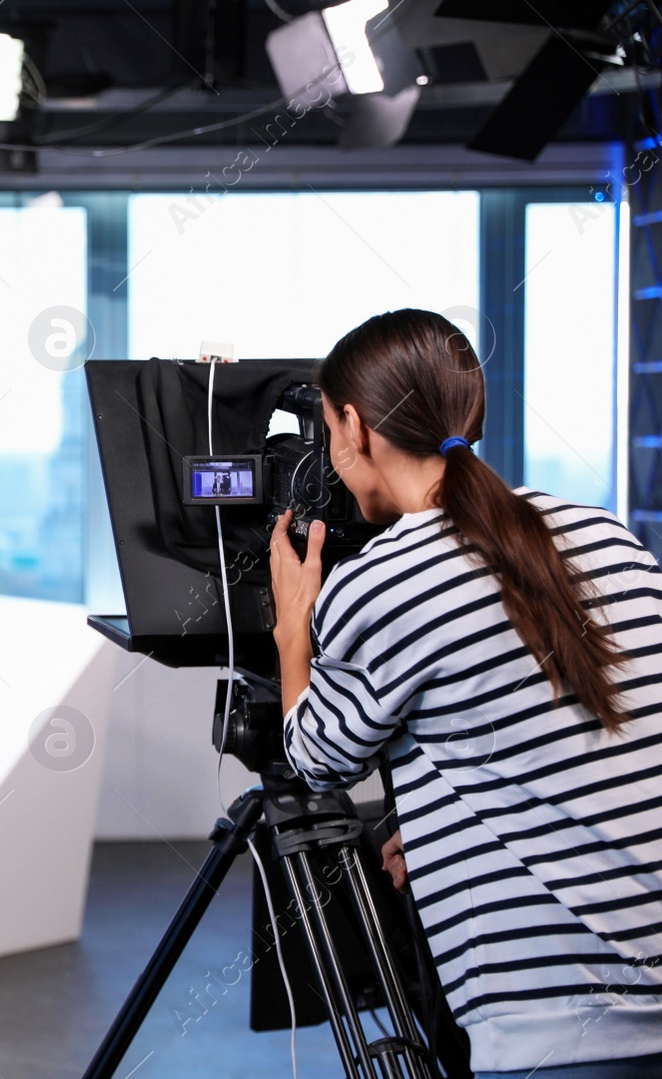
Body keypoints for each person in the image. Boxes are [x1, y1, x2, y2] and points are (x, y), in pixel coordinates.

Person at [270, 309, 662, 1079]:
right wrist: (440, 818)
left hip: (556, 1029)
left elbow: (316, 758)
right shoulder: (604, 531)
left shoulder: (381, 581)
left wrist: (294, 631)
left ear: (354, 426)